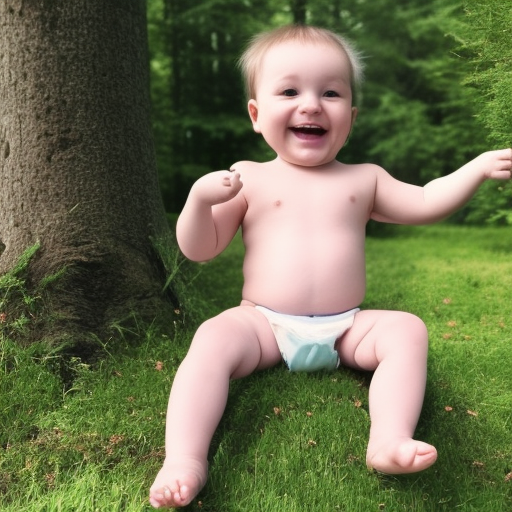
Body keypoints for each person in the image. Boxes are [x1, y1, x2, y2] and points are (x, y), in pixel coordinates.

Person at [149, 24, 512, 509]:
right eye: (290, 90)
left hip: (347, 328)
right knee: (212, 340)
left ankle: (388, 437)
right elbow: (200, 248)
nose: (312, 104)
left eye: (331, 92)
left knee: (406, 330)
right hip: (264, 323)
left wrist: (478, 167)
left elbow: (426, 200)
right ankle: (184, 459)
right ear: (256, 115)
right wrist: (197, 201)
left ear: (351, 118)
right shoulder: (248, 178)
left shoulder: (365, 179)